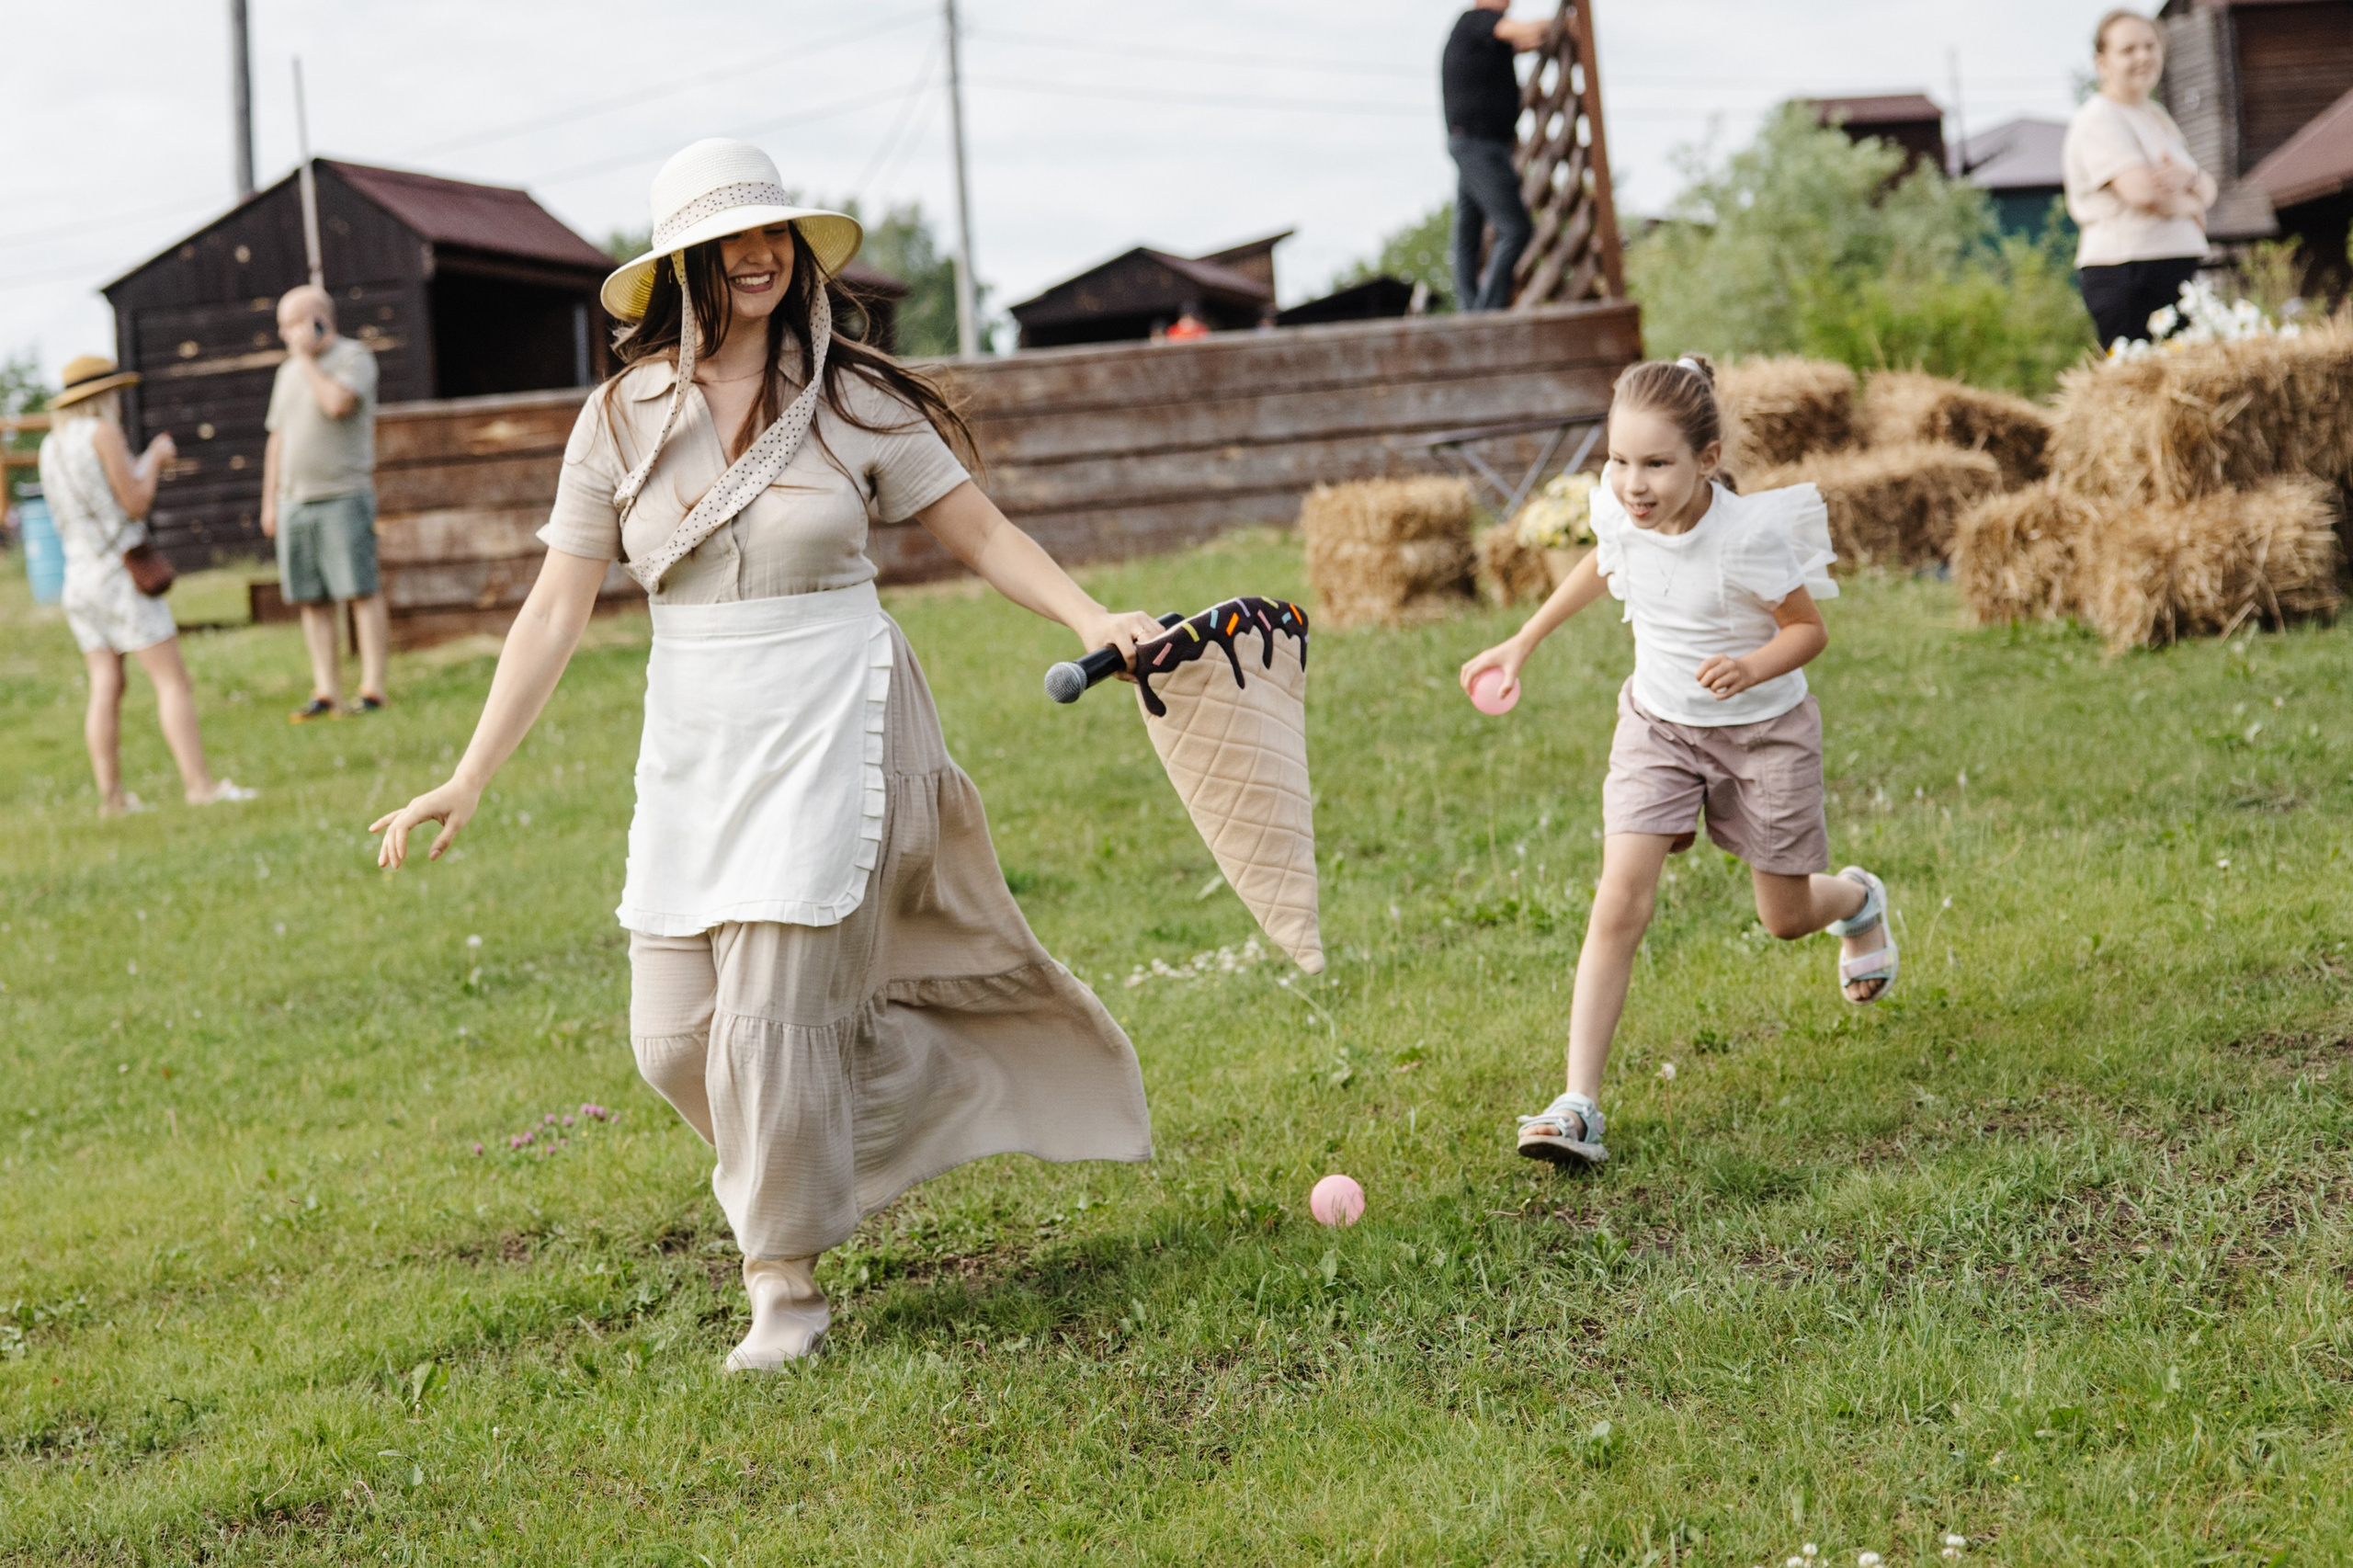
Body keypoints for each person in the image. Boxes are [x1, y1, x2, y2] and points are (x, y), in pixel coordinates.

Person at [371, 140, 1160, 1371]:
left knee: (771, 1020)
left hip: (836, 704)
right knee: (676, 1034)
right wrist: (469, 771)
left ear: (795, 250)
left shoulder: (854, 399)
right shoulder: (620, 420)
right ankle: (901, 1101)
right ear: (679, 263)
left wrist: (1092, 618)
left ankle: (783, 1288)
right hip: (697, 724)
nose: (754, 255)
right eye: (727, 240)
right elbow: (554, 605)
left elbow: (980, 532)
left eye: (771, 234)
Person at [1459, 357, 1895, 1168]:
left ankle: (1858, 901)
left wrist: (1753, 666)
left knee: (1784, 917)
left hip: (1763, 733)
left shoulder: (1748, 539)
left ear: (1708, 458)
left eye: (1656, 463)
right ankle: (1576, 1104)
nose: (1634, 482)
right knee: (1619, 899)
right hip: (1658, 725)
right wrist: (1522, 641)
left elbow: (1809, 632)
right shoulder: (1626, 510)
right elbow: (1604, 561)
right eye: (1620, 461)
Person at [38, 357, 255, 816]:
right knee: (172, 681)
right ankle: (200, 787)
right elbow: (134, 502)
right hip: (121, 575)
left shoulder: (50, 446)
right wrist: (154, 458)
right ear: (103, 395)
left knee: (105, 684)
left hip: (79, 578)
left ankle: (112, 798)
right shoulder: (103, 432)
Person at [261, 284, 390, 722]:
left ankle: (373, 688)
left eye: (291, 325)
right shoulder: (286, 374)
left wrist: (306, 360)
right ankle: (326, 691)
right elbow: (276, 440)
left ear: (317, 319)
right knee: (311, 599)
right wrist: (270, 502)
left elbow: (337, 403)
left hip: (343, 494)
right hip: (295, 501)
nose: (285, 336)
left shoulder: (354, 358)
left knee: (359, 590)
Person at [2064, 8, 2216, 349]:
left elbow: (2207, 184)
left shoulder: (2155, 116)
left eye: (2150, 46)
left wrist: (2191, 181)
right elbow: (2142, 192)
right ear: (2102, 63)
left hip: (2172, 270)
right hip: (2130, 274)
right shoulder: (2099, 118)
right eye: (2128, 50)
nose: (2143, 56)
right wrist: (2194, 201)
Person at [1442, 0, 1549, 312]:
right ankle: (1487, 310)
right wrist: (1556, 23)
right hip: (1479, 144)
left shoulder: (1487, 37)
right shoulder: (1478, 20)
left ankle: (1470, 307)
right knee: (1516, 229)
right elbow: (1521, 30)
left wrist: (1543, 35)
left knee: (1469, 230)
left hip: (1473, 142)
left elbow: (1525, 41)